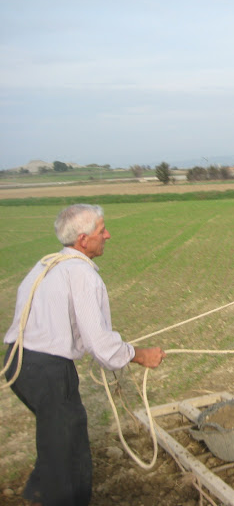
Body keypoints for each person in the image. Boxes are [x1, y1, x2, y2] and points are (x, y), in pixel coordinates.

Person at [3, 203, 166, 506]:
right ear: (82, 240)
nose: (108, 235)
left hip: (20, 364)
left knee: (56, 434)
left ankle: (40, 493)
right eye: (102, 230)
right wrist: (140, 355)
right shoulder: (82, 275)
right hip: (47, 369)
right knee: (70, 449)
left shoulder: (47, 264)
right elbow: (99, 342)